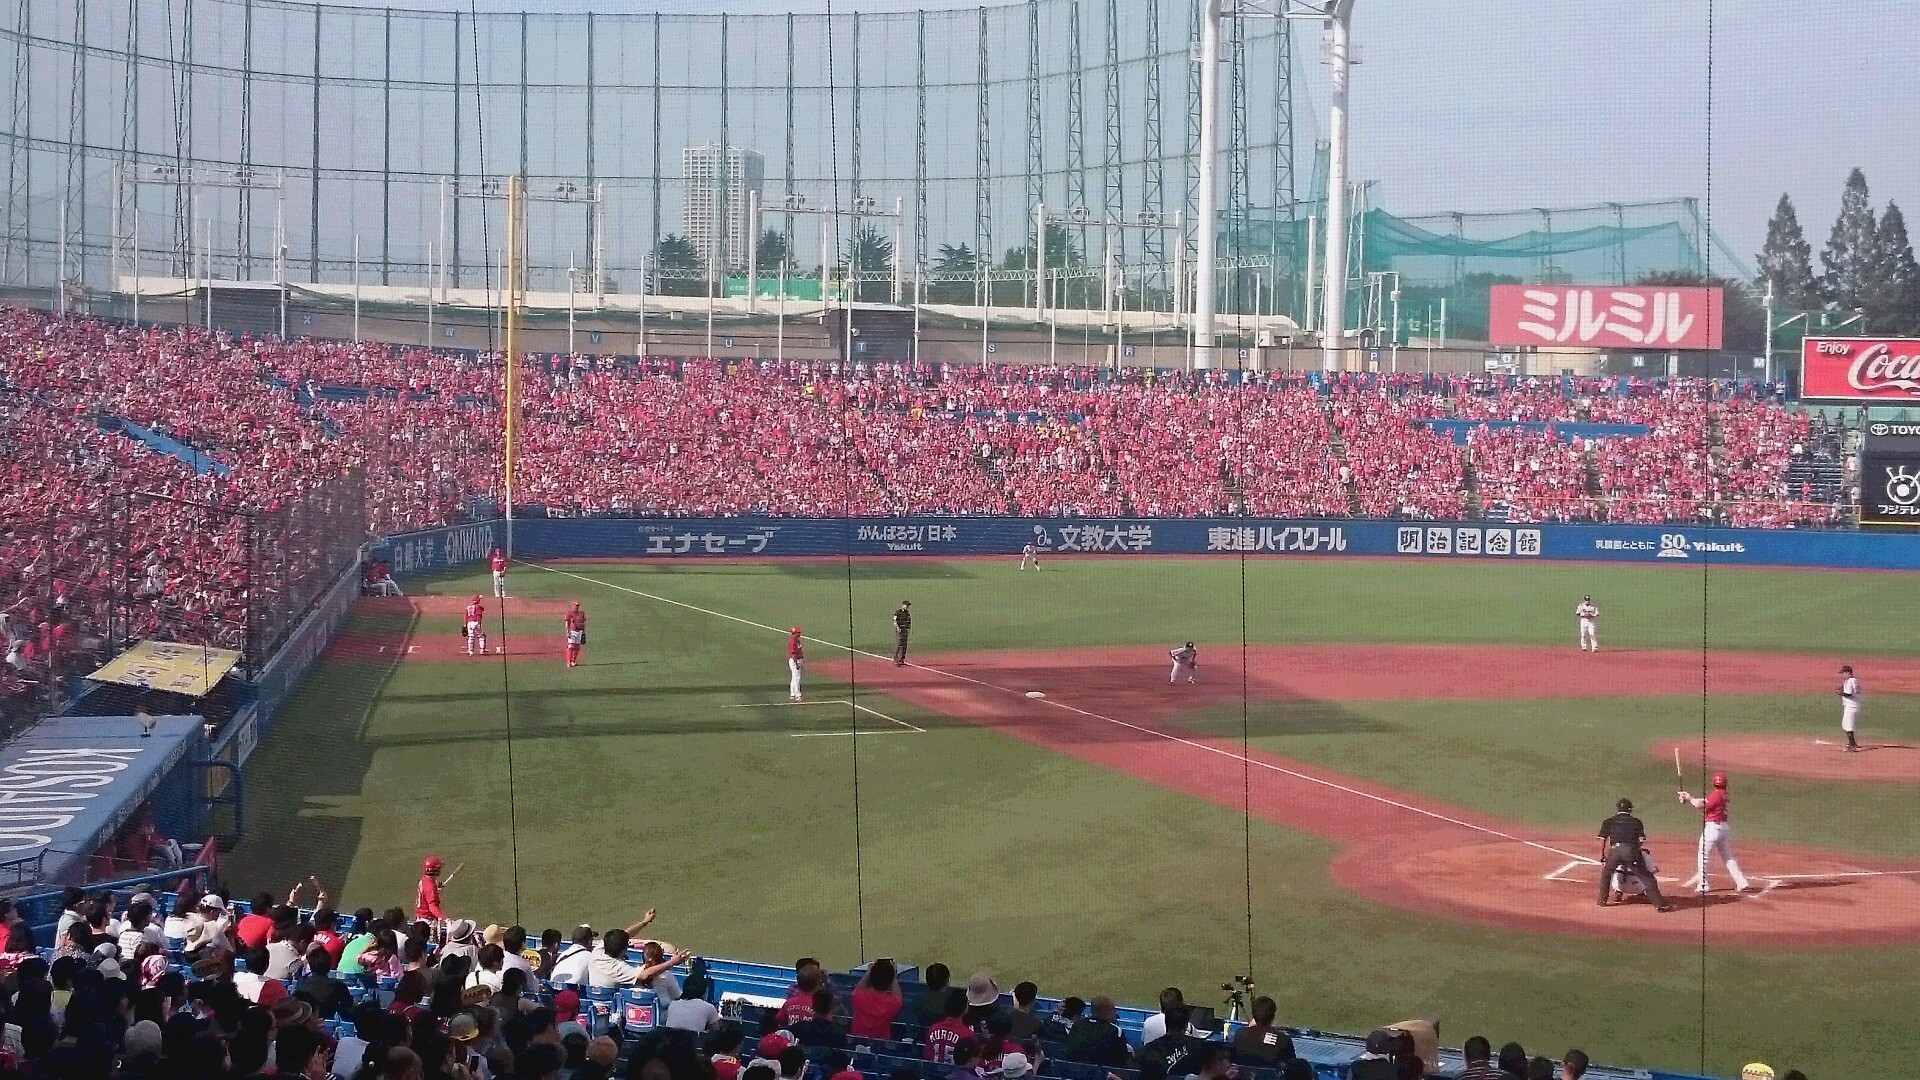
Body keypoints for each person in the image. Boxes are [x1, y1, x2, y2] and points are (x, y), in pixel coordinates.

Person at [1680, 773, 1754, 894]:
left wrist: (1689, 798)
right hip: (1723, 828)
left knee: (1703, 856)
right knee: (1728, 857)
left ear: (1714, 783)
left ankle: (1703, 885)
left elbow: (1700, 805)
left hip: (1713, 828)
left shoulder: (1716, 795)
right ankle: (1742, 882)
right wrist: (1689, 798)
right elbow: (1705, 802)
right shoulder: (1724, 795)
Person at [1596, 798, 1674, 911]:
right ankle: (1660, 905)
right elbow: (1641, 840)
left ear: (1618, 809)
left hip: (1614, 851)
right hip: (1630, 850)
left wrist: (1602, 854)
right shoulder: (1636, 822)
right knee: (1647, 878)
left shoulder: (1609, 821)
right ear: (1630, 809)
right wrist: (1634, 851)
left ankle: (1602, 900)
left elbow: (1603, 839)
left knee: (1606, 874)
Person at [1061, 996, 1127, 1067]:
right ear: (1107, 1012)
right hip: (1102, 1074)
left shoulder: (1078, 1025)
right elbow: (1122, 1060)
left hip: (1074, 1071)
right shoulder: (1115, 1030)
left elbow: (1069, 1053)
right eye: (1113, 1010)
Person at [1230, 996, 1293, 1067]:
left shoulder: (1240, 1034)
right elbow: (1292, 1068)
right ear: (1273, 1016)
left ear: (1253, 1015)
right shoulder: (1283, 1039)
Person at [850, 958, 904, 1040]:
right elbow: (898, 997)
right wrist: (894, 975)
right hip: (880, 1046)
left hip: (856, 1042)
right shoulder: (893, 1003)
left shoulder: (859, 996)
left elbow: (857, 989)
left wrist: (868, 973)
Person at [923, 989, 973, 1065]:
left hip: (932, 1074)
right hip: (956, 1075)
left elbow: (927, 1056)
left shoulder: (933, 1029)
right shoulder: (967, 1034)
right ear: (965, 1008)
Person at [1838, 663, 1861, 751]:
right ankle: (1853, 742)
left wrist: (1840, 693)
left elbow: (1849, 694)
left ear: (1848, 673)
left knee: (1848, 726)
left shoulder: (1851, 681)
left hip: (1852, 706)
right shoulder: (1852, 680)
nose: (1843, 675)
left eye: (1844, 673)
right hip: (1851, 706)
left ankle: (1852, 746)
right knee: (1845, 724)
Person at [416, 857, 446, 922]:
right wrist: (444, 919)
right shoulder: (430, 886)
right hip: (428, 921)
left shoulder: (424, 879)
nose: (440, 869)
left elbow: (425, 891)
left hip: (420, 917)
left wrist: (436, 886)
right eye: (438, 868)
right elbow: (432, 907)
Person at [565, 602, 587, 670]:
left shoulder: (581, 613)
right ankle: (569, 662)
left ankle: (573, 661)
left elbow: (583, 623)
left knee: (577, 647)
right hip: (572, 631)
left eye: (578, 605)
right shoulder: (569, 613)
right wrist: (567, 632)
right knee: (571, 646)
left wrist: (583, 632)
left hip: (579, 631)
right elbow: (567, 623)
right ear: (573, 606)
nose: (577, 607)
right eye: (575, 605)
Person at [787, 627, 805, 702]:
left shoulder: (796, 640)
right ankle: (798, 695)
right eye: (798, 632)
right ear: (794, 633)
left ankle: (793, 693)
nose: (799, 634)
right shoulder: (793, 641)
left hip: (797, 660)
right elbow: (793, 653)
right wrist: (796, 663)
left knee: (794, 677)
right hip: (795, 661)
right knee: (797, 678)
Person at [892, 601, 912, 666]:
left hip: (905, 630)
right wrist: (897, 628)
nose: (907, 607)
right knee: (899, 644)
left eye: (908, 606)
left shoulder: (907, 613)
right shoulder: (898, 612)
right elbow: (894, 621)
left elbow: (909, 622)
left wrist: (908, 629)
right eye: (906, 605)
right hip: (900, 631)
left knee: (904, 645)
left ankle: (902, 659)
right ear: (903, 605)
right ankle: (896, 659)